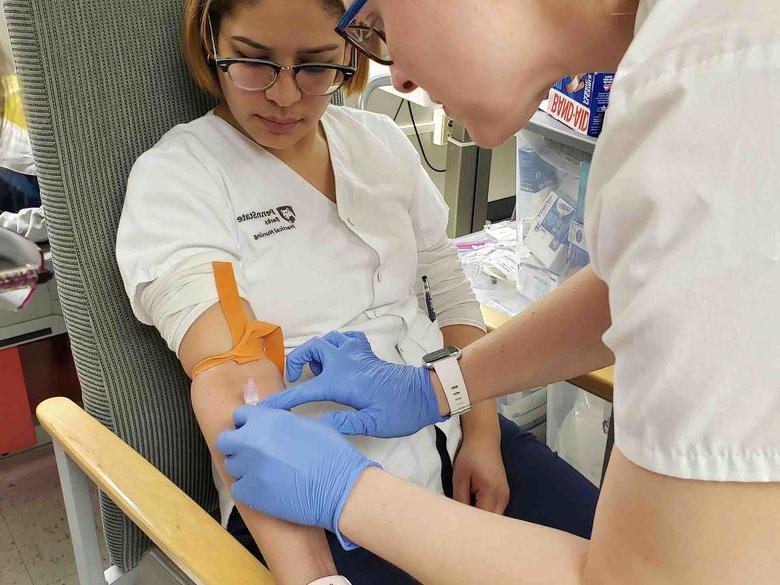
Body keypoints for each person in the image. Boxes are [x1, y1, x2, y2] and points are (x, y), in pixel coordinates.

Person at [216, 0, 780, 584]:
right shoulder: (708, 57)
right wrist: (439, 387)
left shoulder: (720, 93)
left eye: (380, 20)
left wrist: (347, 496)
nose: (399, 74)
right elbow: (638, 287)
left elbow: (650, 576)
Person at [115, 0, 599, 583]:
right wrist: (316, 579)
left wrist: (483, 433)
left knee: (611, 549)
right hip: (303, 492)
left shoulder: (377, 141)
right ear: (209, 41)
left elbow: (446, 286)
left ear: (352, 50)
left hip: (449, 424)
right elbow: (228, 376)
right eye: (252, 62)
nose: (286, 96)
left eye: (317, 66)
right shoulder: (179, 177)